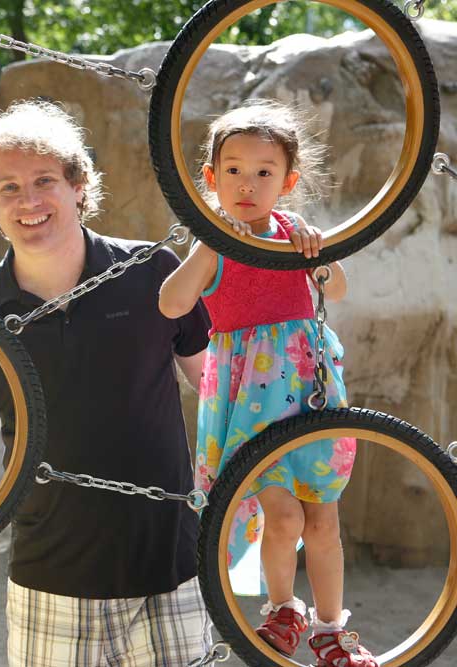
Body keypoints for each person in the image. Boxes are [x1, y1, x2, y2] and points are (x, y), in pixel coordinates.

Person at [0, 99, 213, 666]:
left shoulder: (152, 274)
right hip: (51, 581)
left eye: (44, 181)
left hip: (171, 570)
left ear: (78, 185)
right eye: (8, 187)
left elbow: (219, 388)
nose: (28, 201)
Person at [158, 100, 375, 667]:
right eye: (233, 170)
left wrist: (317, 251)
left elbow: (337, 289)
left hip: (308, 394)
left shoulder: (293, 235)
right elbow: (171, 303)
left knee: (322, 520)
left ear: (287, 182)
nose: (247, 184)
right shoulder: (214, 244)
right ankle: (283, 609)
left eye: (263, 172)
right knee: (282, 515)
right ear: (211, 178)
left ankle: (331, 630)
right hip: (249, 404)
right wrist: (210, 242)